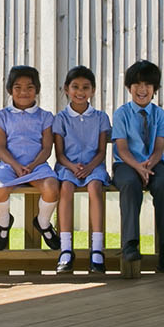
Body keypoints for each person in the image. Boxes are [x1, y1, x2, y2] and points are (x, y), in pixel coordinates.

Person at [111, 59, 164, 277]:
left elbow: (159, 147)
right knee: (129, 184)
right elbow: (121, 148)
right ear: (129, 87)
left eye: (148, 85)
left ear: (154, 89)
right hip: (126, 164)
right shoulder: (122, 114)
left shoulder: (160, 115)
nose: (142, 89)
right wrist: (138, 168)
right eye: (137, 84)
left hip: (153, 164)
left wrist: (149, 165)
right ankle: (130, 243)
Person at [0, 65, 61, 250]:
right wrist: (15, 165)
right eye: (18, 87)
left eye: (29, 87)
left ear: (36, 89)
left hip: (37, 166)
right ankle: (4, 223)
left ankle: (43, 222)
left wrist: (32, 164)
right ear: (10, 90)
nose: (24, 92)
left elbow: (46, 148)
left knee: (52, 187)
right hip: (9, 166)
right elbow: (0, 147)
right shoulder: (2, 116)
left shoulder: (45, 116)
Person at [52, 65, 110, 273]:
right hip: (68, 166)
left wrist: (89, 168)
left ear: (93, 90)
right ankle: (66, 249)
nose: (80, 91)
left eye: (86, 87)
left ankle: (97, 249)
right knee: (65, 189)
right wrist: (72, 166)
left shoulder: (101, 118)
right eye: (75, 87)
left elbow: (102, 151)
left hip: (93, 166)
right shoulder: (61, 118)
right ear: (66, 89)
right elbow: (59, 154)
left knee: (95, 188)